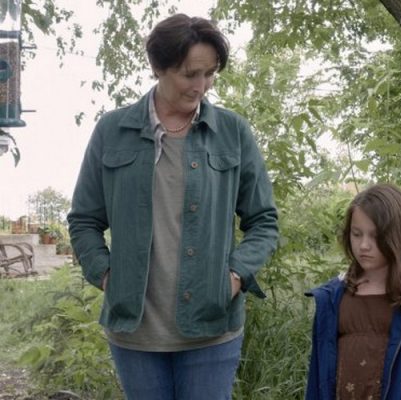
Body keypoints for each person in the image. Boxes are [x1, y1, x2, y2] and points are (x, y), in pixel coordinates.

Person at [67, 14, 278, 400]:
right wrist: (106, 275)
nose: (201, 86)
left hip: (213, 326)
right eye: (189, 74)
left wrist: (234, 277)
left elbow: (264, 220)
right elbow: (83, 220)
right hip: (135, 331)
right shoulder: (111, 131)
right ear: (157, 67)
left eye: (210, 74)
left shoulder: (233, 132)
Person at [305, 183, 401, 400]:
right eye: (357, 234)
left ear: (398, 236)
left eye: (375, 236)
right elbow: (318, 380)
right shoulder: (332, 298)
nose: (364, 245)